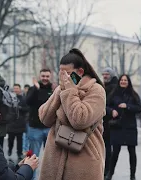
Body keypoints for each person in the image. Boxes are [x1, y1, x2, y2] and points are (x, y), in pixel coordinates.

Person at [38, 48, 106, 180]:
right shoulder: (61, 89)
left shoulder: (96, 90)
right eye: (61, 73)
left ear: (80, 72)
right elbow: (45, 118)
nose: (64, 77)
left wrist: (69, 92)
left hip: (84, 159)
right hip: (54, 159)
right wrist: (60, 92)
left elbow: (80, 120)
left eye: (68, 73)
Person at [105, 74, 141, 180]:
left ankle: (132, 176)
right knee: (115, 152)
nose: (123, 82)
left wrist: (128, 106)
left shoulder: (133, 95)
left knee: (132, 152)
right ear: (119, 81)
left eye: (125, 80)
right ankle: (110, 174)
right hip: (117, 126)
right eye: (122, 80)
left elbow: (139, 108)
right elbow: (105, 105)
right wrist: (112, 111)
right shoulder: (113, 94)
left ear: (128, 82)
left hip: (130, 127)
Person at [26, 69, 53, 156]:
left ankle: (48, 170)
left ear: (50, 77)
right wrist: (36, 89)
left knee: (50, 157)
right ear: (39, 76)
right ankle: (31, 170)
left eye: (47, 76)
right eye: (43, 76)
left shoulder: (54, 89)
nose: (45, 78)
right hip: (35, 127)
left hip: (49, 127)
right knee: (33, 156)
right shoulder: (33, 88)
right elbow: (28, 102)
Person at [101, 67, 118, 177]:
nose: (105, 76)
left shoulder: (113, 88)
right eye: (104, 74)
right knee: (105, 148)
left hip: (111, 122)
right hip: (105, 121)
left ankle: (107, 171)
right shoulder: (104, 86)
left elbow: (105, 104)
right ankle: (106, 171)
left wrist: (109, 110)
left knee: (108, 149)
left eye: (107, 74)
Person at [7, 84, 29, 161]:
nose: (16, 90)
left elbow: (27, 109)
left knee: (20, 140)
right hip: (11, 122)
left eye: (17, 88)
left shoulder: (23, 99)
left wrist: (20, 108)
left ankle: (19, 153)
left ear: (20, 89)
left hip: (20, 122)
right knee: (10, 139)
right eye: (14, 88)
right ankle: (9, 149)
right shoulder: (9, 98)